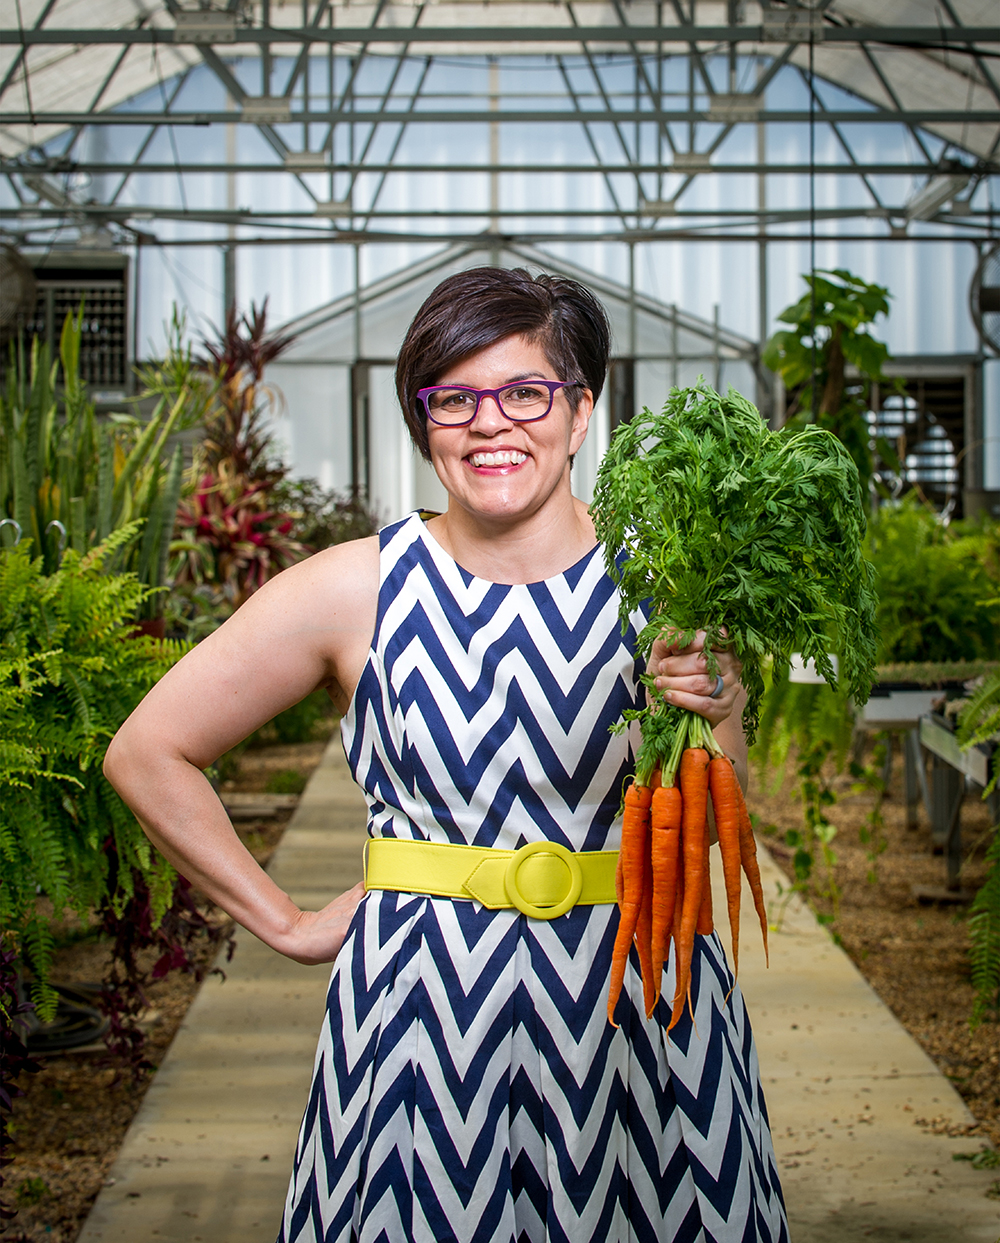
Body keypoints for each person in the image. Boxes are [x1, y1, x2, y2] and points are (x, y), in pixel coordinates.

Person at [104, 266, 787, 1243]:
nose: (489, 424)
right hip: (422, 1023)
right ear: (422, 420)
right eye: (453, 398)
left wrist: (721, 706)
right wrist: (285, 921)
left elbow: (721, 819)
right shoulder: (356, 588)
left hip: (641, 1006)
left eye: (524, 392)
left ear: (580, 408)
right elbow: (149, 751)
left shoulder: (664, 581)